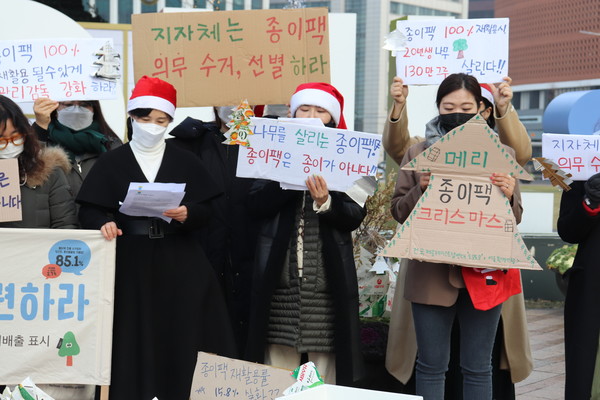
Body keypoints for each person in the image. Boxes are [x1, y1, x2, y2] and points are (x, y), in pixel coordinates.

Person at [76, 76, 236, 400]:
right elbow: (89, 211)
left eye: (161, 120)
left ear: (169, 122)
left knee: (183, 333)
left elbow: (208, 210)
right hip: (129, 262)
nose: (152, 126)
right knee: (131, 334)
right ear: (131, 118)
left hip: (180, 260)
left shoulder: (185, 160)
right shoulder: (111, 161)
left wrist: (188, 213)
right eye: (145, 119)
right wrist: (104, 223)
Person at [384, 75, 533, 399]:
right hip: (430, 276)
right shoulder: (419, 153)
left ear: (481, 109)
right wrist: (420, 189)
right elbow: (398, 211)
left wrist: (509, 195)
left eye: (466, 107)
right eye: (449, 106)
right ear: (438, 108)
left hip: (485, 275)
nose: (457, 113)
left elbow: (515, 218)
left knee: (479, 368)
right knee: (431, 366)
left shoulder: (501, 152)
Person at [245, 82, 365, 385]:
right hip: (279, 282)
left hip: (326, 284)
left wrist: (326, 202)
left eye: (320, 110)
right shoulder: (269, 148)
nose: (312, 116)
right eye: (305, 109)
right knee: (274, 373)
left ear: (333, 118)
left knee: (325, 374)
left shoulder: (351, 153)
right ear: (291, 111)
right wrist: (288, 177)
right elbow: (253, 204)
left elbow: (355, 214)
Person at [167, 105, 264, 356]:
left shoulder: (268, 142)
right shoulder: (191, 142)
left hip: (255, 257)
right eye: (226, 96)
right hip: (204, 253)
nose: (233, 105)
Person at [0, 95, 77, 229]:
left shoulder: (48, 171)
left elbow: (65, 226)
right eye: (1, 140)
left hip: (40, 249)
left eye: (16, 135)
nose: (10, 144)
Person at [557, 173, 600, 399]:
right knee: (587, 372)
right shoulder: (582, 168)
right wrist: (591, 202)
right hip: (593, 285)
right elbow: (567, 230)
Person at [32, 97, 122, 198]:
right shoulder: (42, 142)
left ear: (94, 110)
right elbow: (29, 169)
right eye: (68, 105)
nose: (76, 110)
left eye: (84, 105)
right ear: (55, 110)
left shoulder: (112, 145)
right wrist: (40, 128)